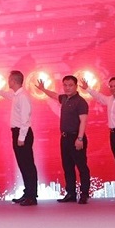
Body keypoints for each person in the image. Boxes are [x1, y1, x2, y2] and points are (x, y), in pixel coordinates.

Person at [38, 75, 90, 204]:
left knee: (81, 167)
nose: (67, 88)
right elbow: (54, 95)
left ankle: (84, 194)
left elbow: (83, 121)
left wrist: (80, 138)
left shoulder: (81, 102)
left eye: (70, 85)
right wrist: (43, 89)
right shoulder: (65, 98)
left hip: (76, 137)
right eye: (65, 85)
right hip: (65, 137)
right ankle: (71, 193)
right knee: (67, 167)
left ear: (76, 86)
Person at [0, 71, 37, 206]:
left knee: (27, 164)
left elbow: (25, 119)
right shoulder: (16, 95)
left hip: (23, 133)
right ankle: (27, 193)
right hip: (18, 133)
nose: (8, 82)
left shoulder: (23, 97)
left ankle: (32, 195)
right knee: (23, 164)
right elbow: (8, 95)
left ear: (14, 81)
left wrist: (21, 137)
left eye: (9, 80)